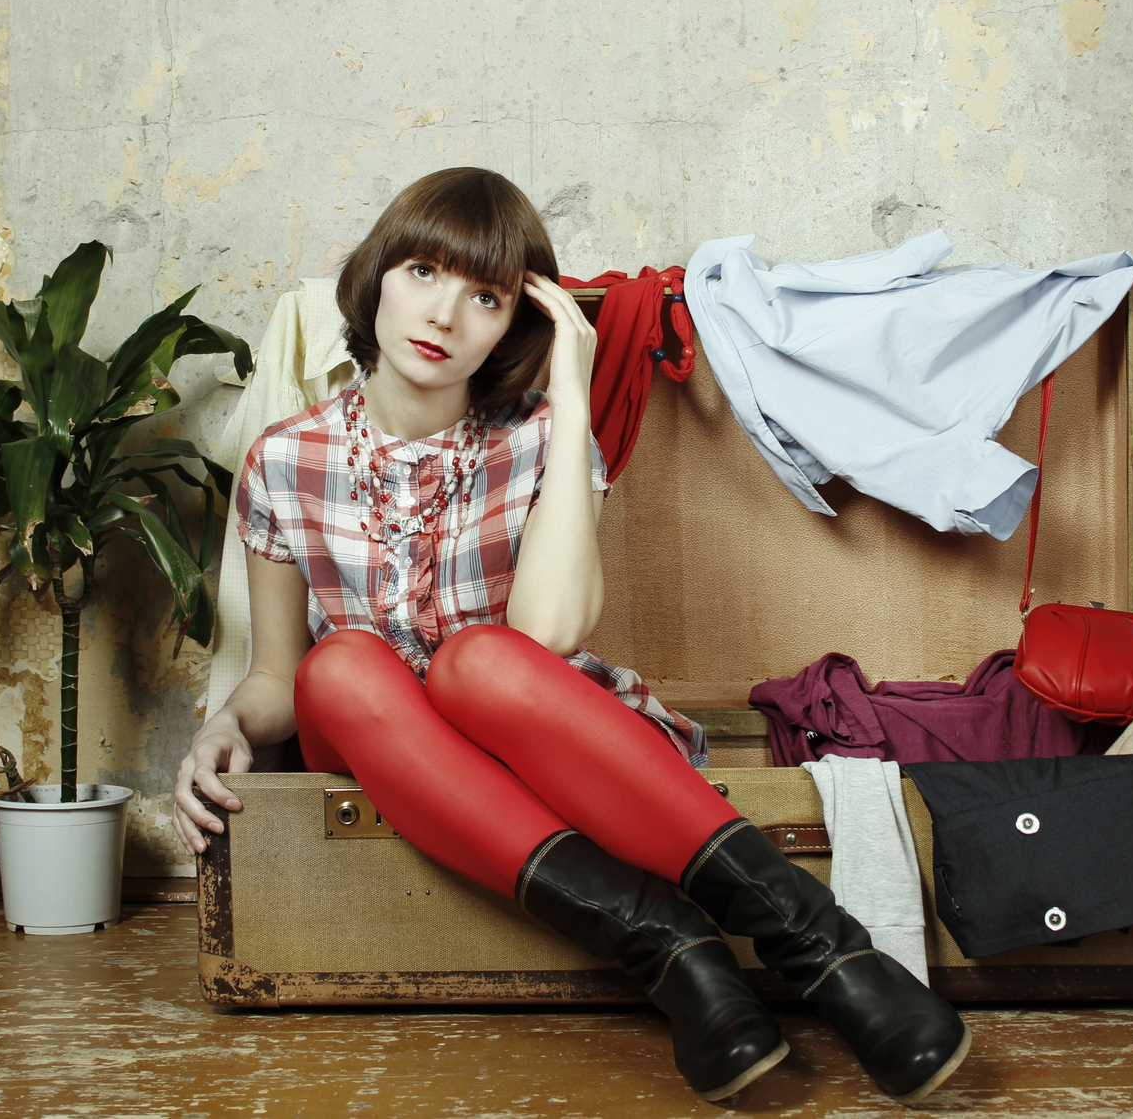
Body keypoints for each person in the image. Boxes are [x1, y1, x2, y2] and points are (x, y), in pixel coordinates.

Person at [172, 168, 969, 1104]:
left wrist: (573, 395)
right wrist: (226, 721)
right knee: (343, 663)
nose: (444, 314)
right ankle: (664, 937)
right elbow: (278, 674)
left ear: (518, 323)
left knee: (476, 656)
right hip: (380, 745)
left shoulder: (541, 433)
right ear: (378, 275)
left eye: (486, 296)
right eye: (423, 271)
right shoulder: (282, 458)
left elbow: (545, 632)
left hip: (535, 728)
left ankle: (828, 955)